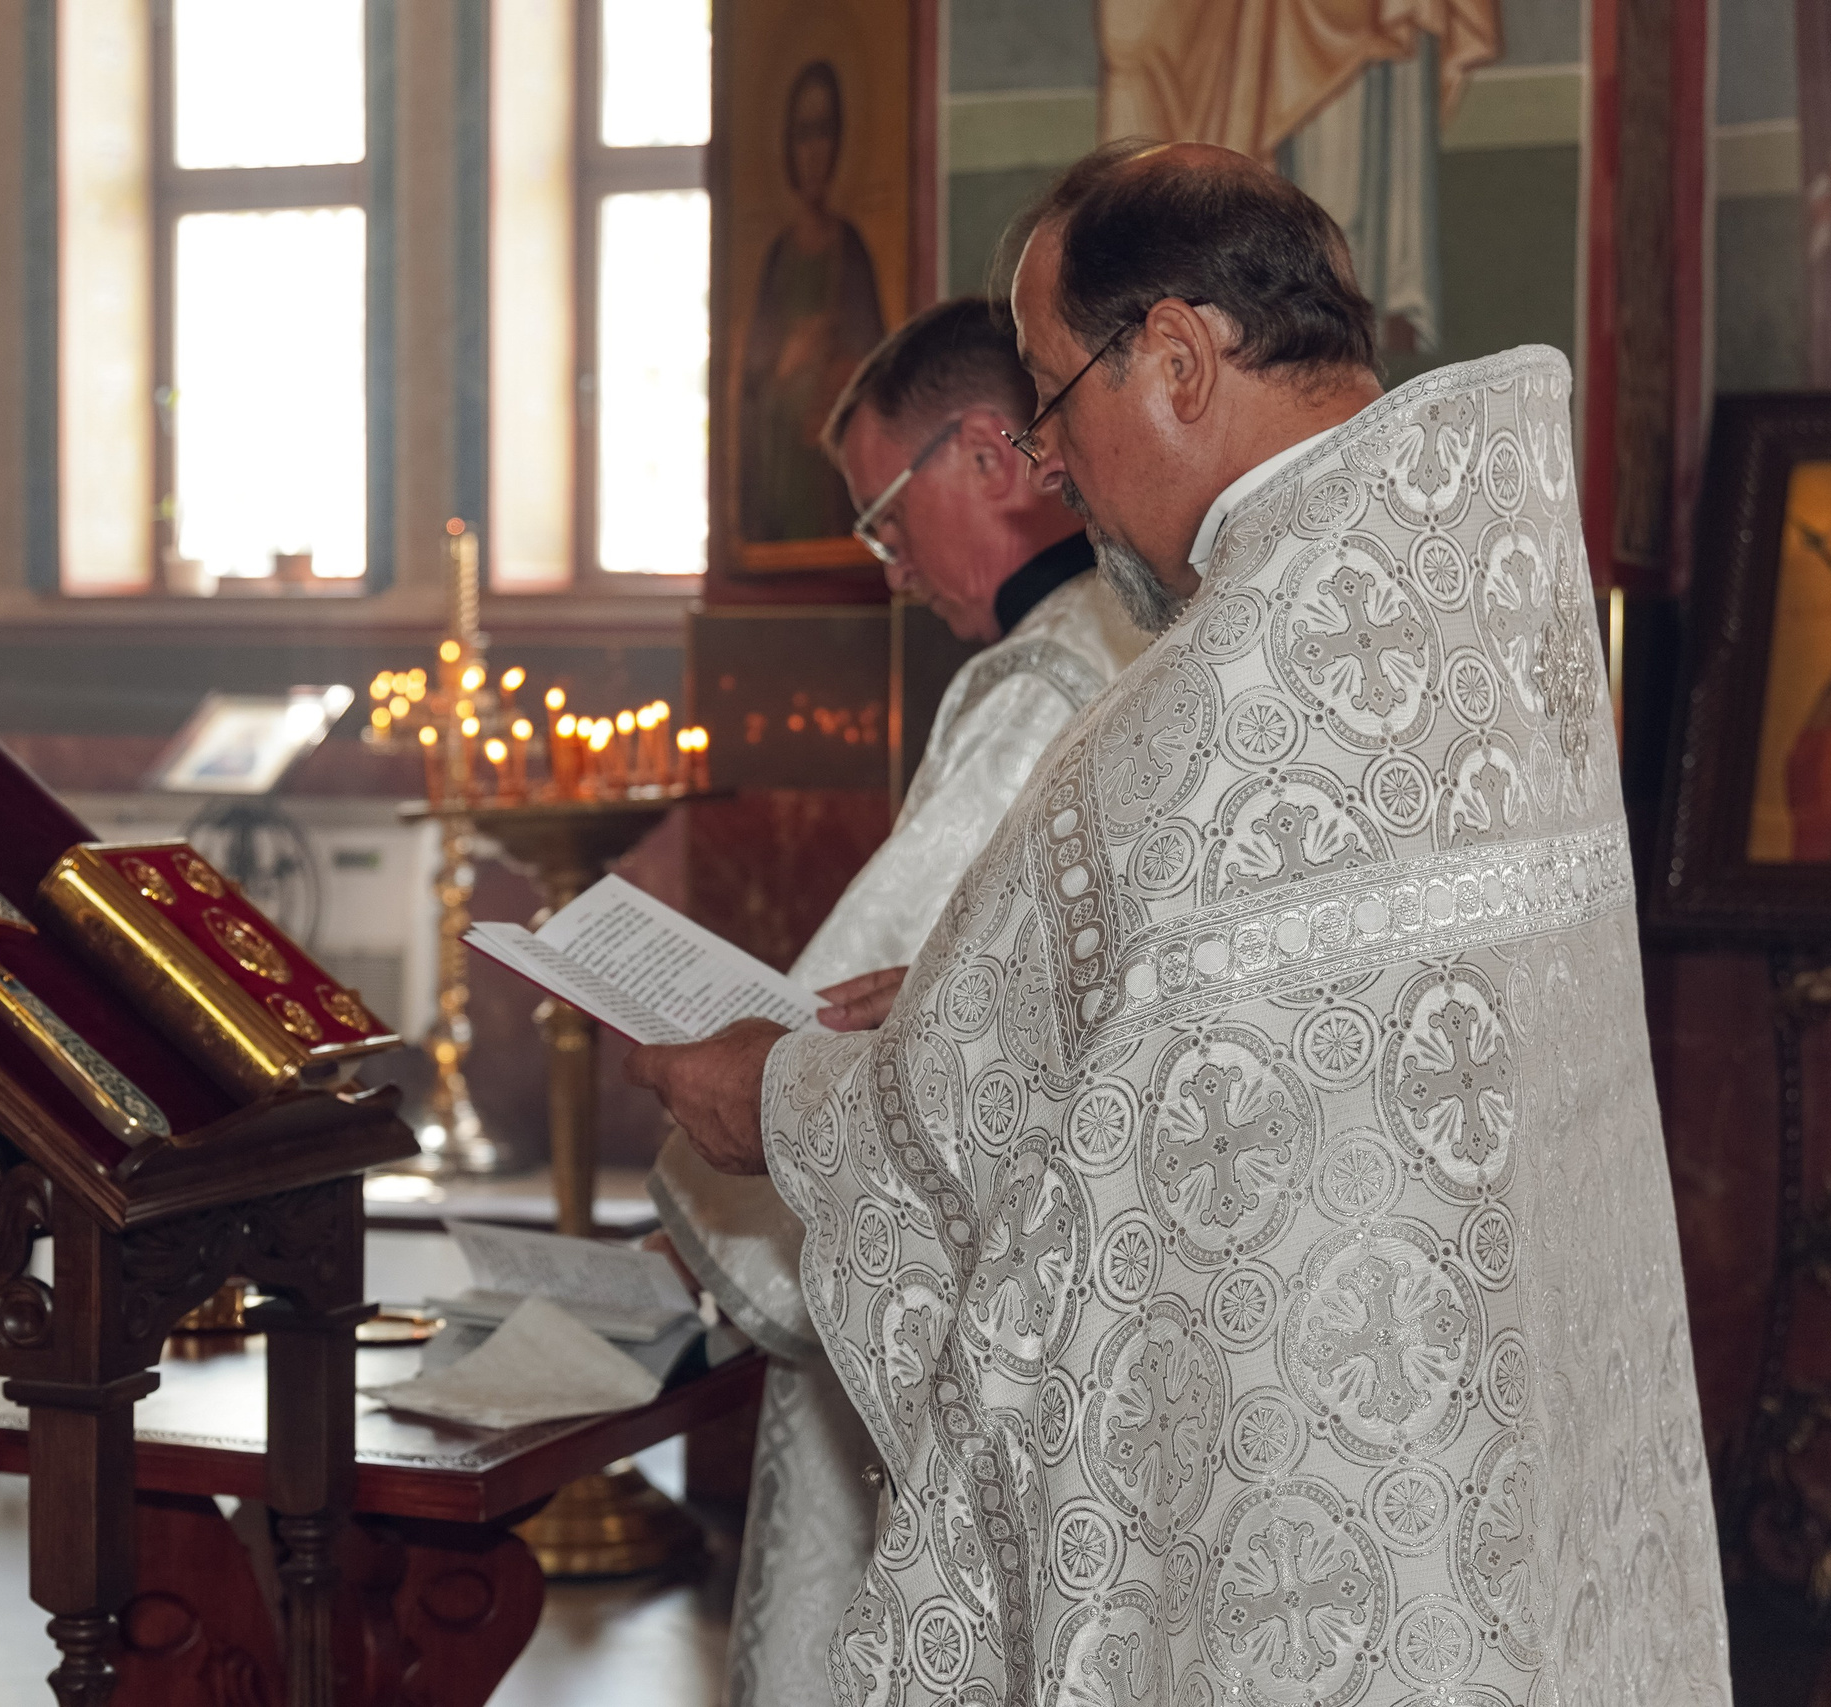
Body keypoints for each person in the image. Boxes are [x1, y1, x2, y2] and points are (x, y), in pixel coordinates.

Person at [630, 141, 1730, 1705]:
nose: (1053, 464)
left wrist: (766, 1096)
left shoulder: (1220, 701)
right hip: (1493, 1445)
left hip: (1304, 1519)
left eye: (1053, 397)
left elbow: (958, 1125)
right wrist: (958, 1001)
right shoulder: (1473, 599)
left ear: (1176, 356)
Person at [653, 295, 1152, 1707]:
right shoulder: (1144, 623)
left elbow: (835, 1024)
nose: (886, 570)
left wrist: (723, 1111)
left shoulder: (1047, 674)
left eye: (883, 518)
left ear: (991, 455)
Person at [736, 60, 886, 545]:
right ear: (787, 145)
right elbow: (753, 389)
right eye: (803, 134)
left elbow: (878, 371)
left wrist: (840, 378)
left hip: (833, 474)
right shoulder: (778, 259)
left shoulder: (852, 250)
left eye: (824, 132)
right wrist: (789, 364)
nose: (814, 150)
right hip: (782, 472)